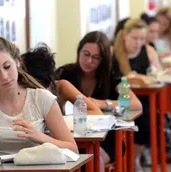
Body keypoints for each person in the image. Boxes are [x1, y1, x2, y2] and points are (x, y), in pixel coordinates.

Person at [55, 31, 142, 164]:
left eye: (96, 57)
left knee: (95, 160)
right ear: (79, 51)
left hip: (106, 137)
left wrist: (102, 104)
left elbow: (135, 104)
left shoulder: (111, 76)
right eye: (86, 54)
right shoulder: (65, 73)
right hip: (74, 134)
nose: (89, 61)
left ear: (103, 59)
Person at [113, 18, 161, 171]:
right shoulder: (114, 51)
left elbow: (157, 76)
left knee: (147, 119)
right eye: (134, 38)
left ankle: (135, 158)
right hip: (119, 97)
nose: (138, 42)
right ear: (125, 35)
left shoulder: (148, 51)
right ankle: (123, 159)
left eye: (142, 38)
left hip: (143, 98)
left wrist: (147, 76)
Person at [21, 44, 102, 115]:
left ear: (50, 80)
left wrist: (62, 122)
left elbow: (95, 111)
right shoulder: (19, 90)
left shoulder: (61, 87)